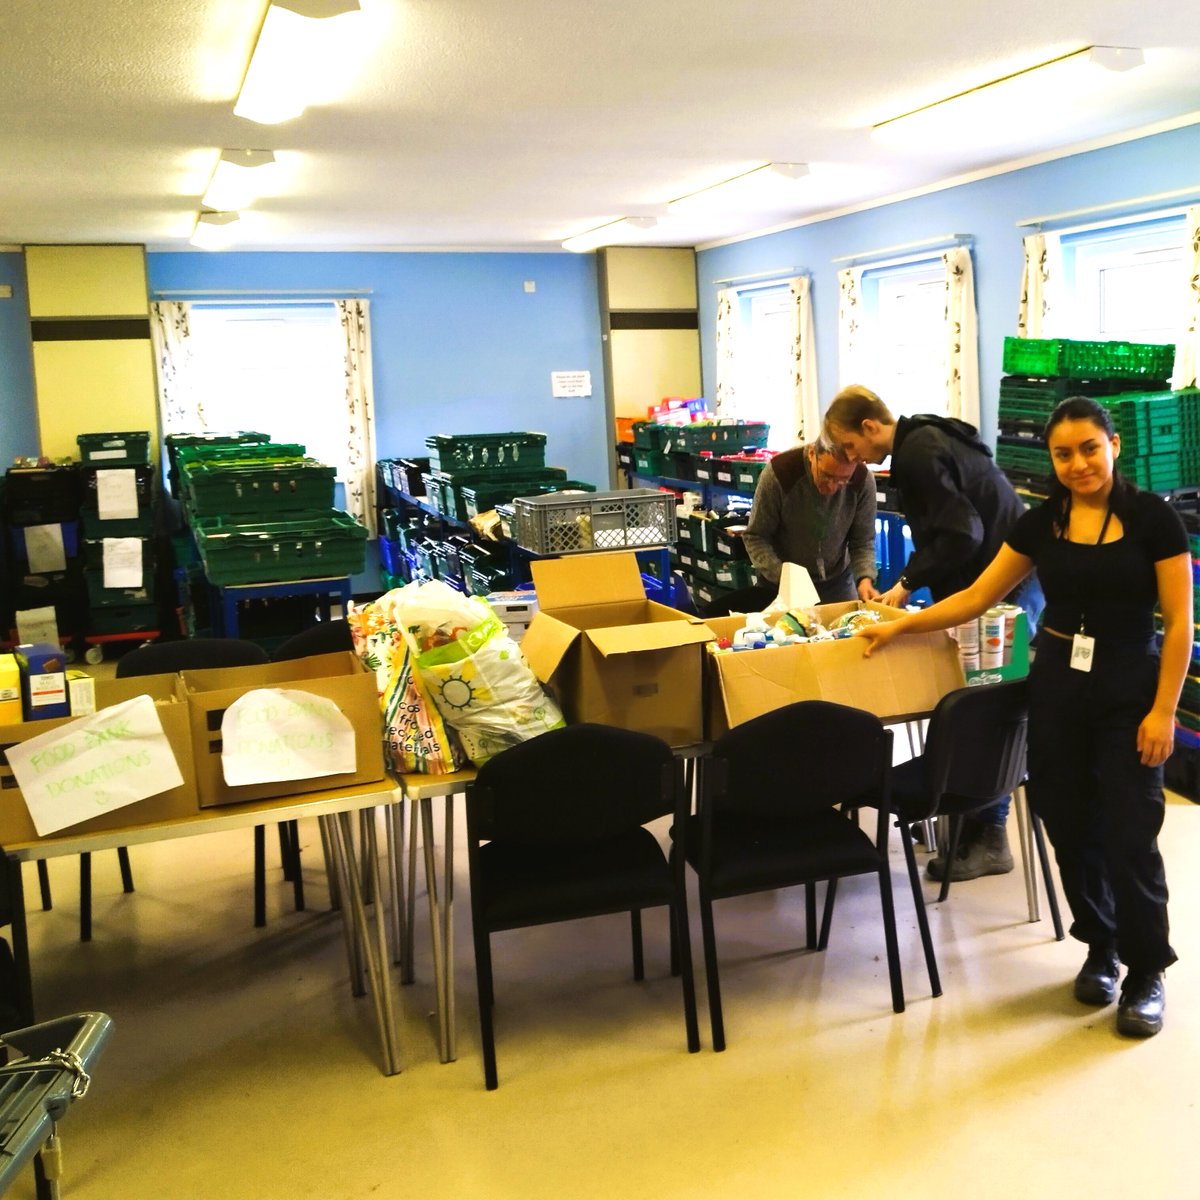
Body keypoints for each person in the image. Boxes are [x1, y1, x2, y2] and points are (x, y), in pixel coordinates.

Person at [855, 396, 1191, 1037]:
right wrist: (901, 625)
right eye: (1063, 454)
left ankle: (1146, 970)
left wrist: (1163, 712)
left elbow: (1178, 623)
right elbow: (979, 595)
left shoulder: (1153, 521)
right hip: (1060, 686)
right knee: (1066, 820)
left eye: (1089, 448)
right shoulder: (1042, 524)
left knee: (1128, 829)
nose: (1078, 464)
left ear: (1113, 446)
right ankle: (1101, 946)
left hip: (1130, 687)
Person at [824, 384, 1043, 882]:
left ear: (869, 427)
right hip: (1005, 584)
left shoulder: (919, 453)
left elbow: (962, 533)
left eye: (850, 447)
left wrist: (905, 585)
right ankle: (972, 827)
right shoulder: (924, 436)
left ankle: (990, 838)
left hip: (1004, 589)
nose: (851, 459)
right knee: (985, 700)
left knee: (989, 707)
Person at [741, 433, 880, 605]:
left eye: (842, 480)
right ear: (812, 454)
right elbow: (755, 536)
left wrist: (865, 578)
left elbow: (862, 541)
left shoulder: (862, 480)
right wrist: (783, 576)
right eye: (826, 475)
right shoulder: (780, 473)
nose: (832, 487)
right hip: (782, 586)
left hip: (837, 585)